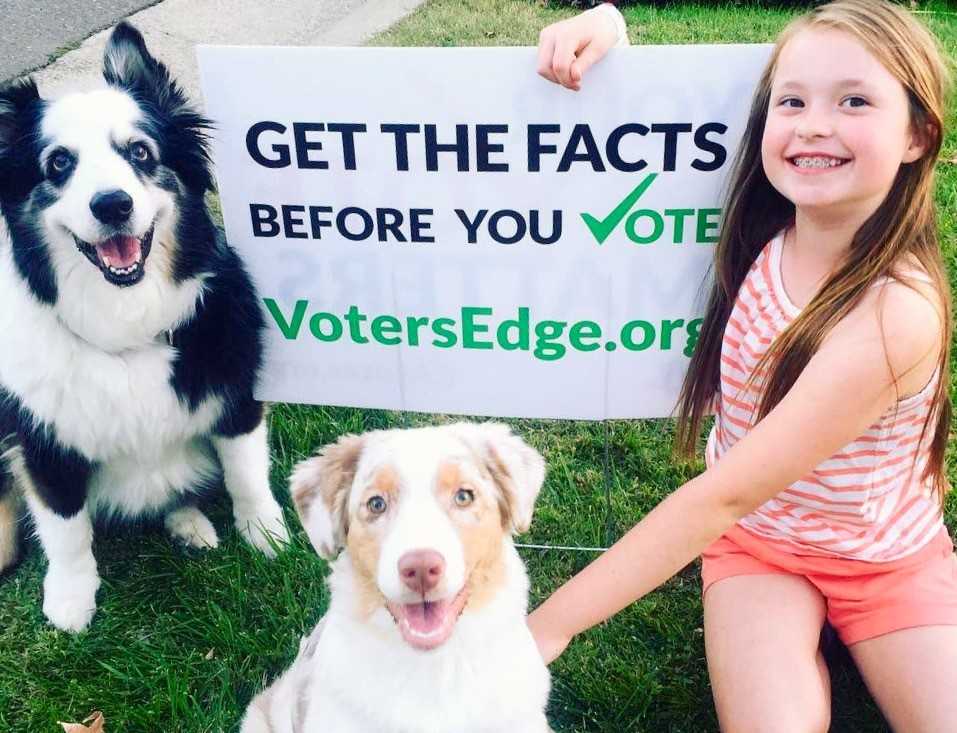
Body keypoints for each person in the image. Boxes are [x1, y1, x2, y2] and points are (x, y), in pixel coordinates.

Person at [528, 1, 956, 730]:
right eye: (791, 102)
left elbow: (714, 498)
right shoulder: (773, 214)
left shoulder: (895, 313)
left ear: (916, 133)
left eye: (854, 100)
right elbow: (686, 106)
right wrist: (608, 28)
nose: (813, 123)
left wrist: (544, 627)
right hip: (760, 545)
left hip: (886, 556)